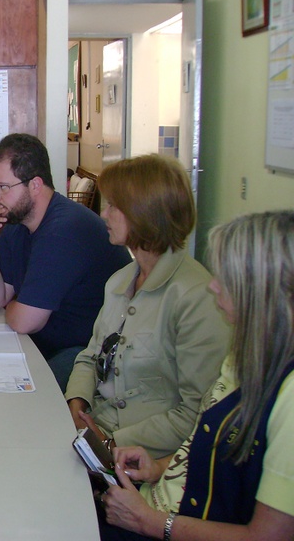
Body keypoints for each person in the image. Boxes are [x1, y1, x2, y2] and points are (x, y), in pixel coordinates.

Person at [98, 210, 294, 541]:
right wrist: (158, 467)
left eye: (226, 278)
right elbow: (214, 448)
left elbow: (268, 536)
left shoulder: (288, 398)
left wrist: (147, 520)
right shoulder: (246, 354)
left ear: (262, 292)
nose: (213, 286)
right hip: (155, 505)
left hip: (161, 524)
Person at [65, 155, 230, 459]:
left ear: (144, 214)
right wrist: (77, 403)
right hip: (94, 434)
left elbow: (197, 414)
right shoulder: (119, 281)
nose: (104, 215)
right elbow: (91, 356)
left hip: (143, 457)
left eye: (113, 206)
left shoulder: (197, 298)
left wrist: (113, 444)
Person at [0, 133, 131, 391]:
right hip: (43, 342)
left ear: (35, 184)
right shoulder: (18, 222)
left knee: (22, 398)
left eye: (3, 187)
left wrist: (13, 306)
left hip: (87, 351)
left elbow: (24, 321)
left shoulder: (64, 230)